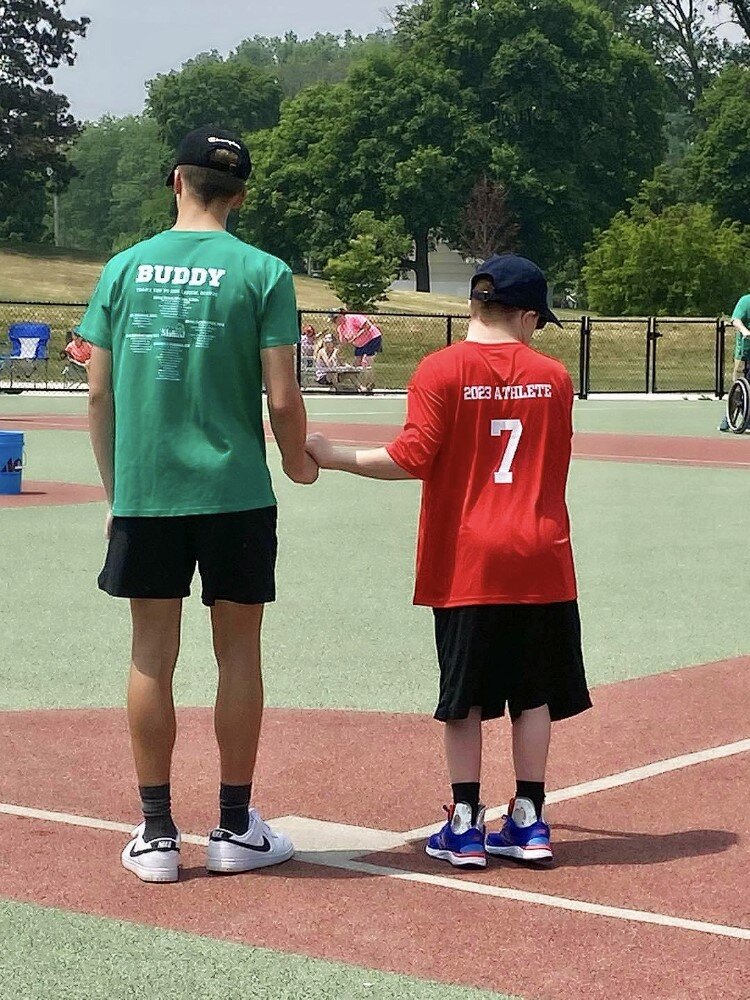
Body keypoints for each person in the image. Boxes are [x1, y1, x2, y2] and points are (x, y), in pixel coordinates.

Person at [81, 126, 317, 884]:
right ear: (240, 195)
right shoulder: (264, 272)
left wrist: (119, 494)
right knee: (238, 652)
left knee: (151, 653)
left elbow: (100, 391)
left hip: (149, 492)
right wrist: (295, 460)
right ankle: (234, 827)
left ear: (173, 181)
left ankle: (155, 835)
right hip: (235, 493)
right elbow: (282, 395)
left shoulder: (121, 269)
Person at [307, 253, 591, 869]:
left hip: (469, 558)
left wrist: (334, 455)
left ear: (475, 305)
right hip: (541, 555)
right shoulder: (554, 377)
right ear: (521, 315)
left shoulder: (440, 370)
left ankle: (465, 822)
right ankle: (529, 817)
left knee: (463, 697)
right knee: (533, 694)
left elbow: (412, 456)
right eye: (535, 318)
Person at [331, 308, 382, 393]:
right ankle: (360, 386)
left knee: (366, 362)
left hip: (372, 339)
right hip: (360, 344)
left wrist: (356, 337)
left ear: (339, 316)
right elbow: (343, 342)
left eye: (334, 320)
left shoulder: (353, 317)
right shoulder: (340, 328)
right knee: (355, 365)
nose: (334, 323)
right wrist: (336, 352)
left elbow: (367, 326)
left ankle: (369, 384)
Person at [719, 292, 750, 432]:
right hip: (745, 349)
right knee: (739, 385)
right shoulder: (746, 301)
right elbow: (736, 319)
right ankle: (728, 416)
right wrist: (744, 331)